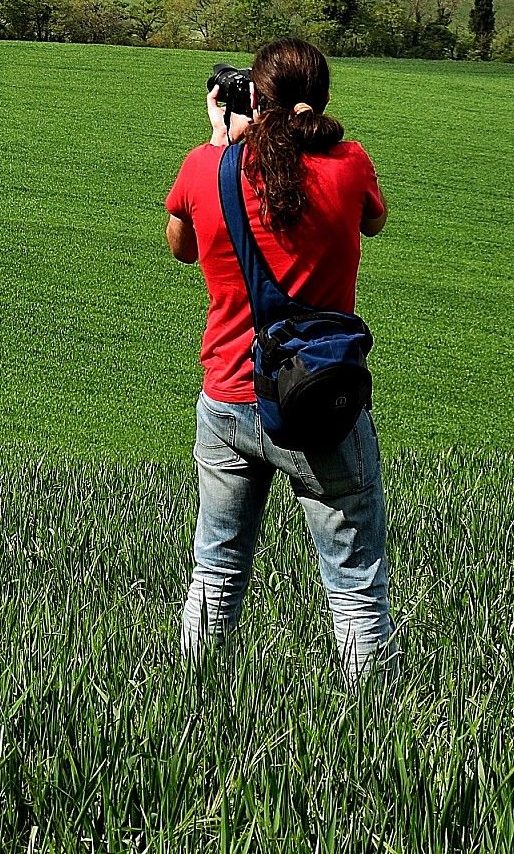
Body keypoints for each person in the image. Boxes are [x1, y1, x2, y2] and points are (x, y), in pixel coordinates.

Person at [162, 37, 395, 680]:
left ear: (252, 102)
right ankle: (375, 724)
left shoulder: (208, 169)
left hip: (229, 395)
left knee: (218, 567)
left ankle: (193, 697)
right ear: (319, 101)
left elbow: (181, 246)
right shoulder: (349, 164)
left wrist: (221, 146)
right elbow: (373, 223)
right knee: (353, 580)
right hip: (317, 399)